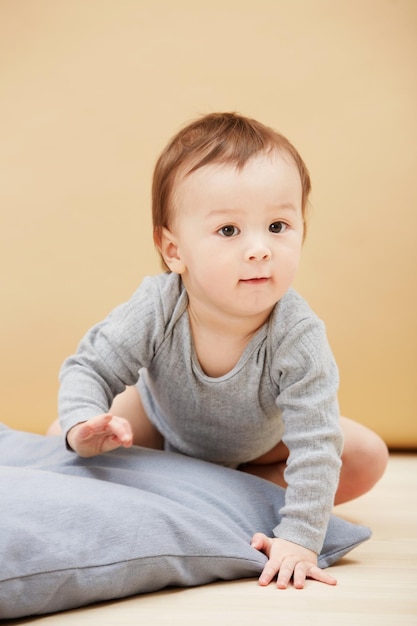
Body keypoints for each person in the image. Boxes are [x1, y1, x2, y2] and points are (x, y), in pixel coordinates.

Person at [50, 112, 388, 590]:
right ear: (174, 250)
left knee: (366, 456)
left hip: (260, 442)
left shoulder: (297, 333)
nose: (259, 249)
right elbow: (90, 366)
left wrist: (300, 537)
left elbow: (313, 441)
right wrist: (85, 421)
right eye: (229, 231)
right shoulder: (159, 306)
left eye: (278, 225)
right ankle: (193, 483)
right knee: (63, 438)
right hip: (161, 424)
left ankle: (227, 491)